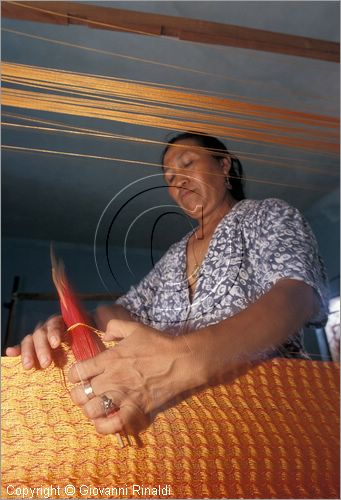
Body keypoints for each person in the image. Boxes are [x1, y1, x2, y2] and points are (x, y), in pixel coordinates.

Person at [6, 132, 328, 436]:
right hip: (186, 429)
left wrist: (185, 359)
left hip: (275, 412)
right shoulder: (174, 256)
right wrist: (73, 327)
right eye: (170, 179)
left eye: (188, 164)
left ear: (223, 164)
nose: (178, 182)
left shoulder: (267, 215)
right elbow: (120, 312)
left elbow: (297, 296)